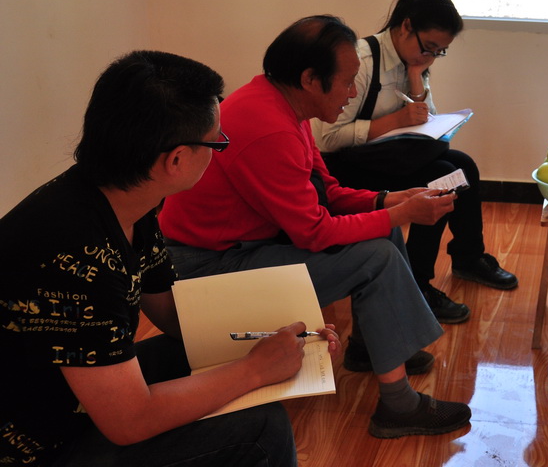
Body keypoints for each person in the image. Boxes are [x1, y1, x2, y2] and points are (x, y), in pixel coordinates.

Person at [0, 50, 341, 466]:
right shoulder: (74, 254)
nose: (219, 150)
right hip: (34, 443)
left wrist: (280, 339)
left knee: (203, 355)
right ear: (176, 159)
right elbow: (129, 421)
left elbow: (172, 313)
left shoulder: (123, 199)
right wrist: (254, 369)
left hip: (68, 396)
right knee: (261, 429)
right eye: (217, 142)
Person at [158, 16, 472, 438]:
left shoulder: (282, 105)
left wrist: (389, 201)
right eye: (347, 82)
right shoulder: (269, 128)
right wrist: (401, 213)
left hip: (237, 248)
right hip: (205, 272)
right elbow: (314, 232)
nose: (353, 92)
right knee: (378, 255)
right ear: (309, 79)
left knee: (382, 231)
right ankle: (398, 406)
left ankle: (369, 348)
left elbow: (327, 191)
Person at [315, 0, 517, 324]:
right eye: (429, 47)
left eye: (440, 51)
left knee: (463, 166)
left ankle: (468, 257)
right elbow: (327, 138)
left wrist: (415, 78)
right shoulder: (362, 61)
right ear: (406, 26)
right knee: (439, 179)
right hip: (348, 166)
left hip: (390, 158)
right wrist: (393, 121)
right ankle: (417, 284)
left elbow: (427, 116)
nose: (430, 56)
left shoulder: (415, 61)